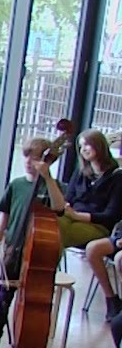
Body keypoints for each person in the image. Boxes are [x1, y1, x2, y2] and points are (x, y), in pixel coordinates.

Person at [0, 138, 67, 348]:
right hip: (14, 248)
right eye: (26, 156)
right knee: (3, 296)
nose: (29, 161)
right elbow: (5, 212)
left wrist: (47, 178)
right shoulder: (16, 184)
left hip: (39, 253)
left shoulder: (51, 186)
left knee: (30, 300)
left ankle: (22, 345)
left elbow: (58, 207)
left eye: (35, 157)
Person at [62, 129, 122, 318]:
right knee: (51, 224)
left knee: (56, 233)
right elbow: (68, 199)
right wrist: (70, 213)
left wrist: (79, 216)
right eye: (80, 146)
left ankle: (44, 281)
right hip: (72, 219)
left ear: (99, 145)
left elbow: (110, 215)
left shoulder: (117, 177)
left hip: (97, 225)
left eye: (87, 144)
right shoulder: (80, 172)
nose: (83, 150)